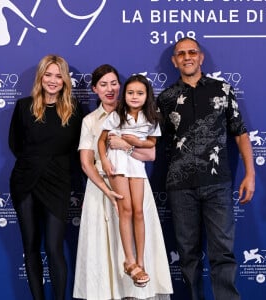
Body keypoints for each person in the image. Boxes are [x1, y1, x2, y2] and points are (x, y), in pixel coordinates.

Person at [157, 37, 255, 300]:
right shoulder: (165, 98)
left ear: (200, 57)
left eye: (192, 52)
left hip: (217, 184)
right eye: (181, 53)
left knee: (222, 252)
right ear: (174, 60)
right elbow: (151, 139)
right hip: (179, 187)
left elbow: (240, 133)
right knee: (187, 254)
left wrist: (250, 174)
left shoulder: (222, 89)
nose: (187, 57)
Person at [73, 65, 173, 299]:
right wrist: (106, 189)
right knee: (102, 249)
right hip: (102, 189)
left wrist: (125, 146)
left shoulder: (141, 116)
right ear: (95, 89)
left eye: (113, 83)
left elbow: (150, 154)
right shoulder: (90, 120)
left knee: (136, 221)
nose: (110, 89)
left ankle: (137, 270)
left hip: (135, 178)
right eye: (103, 84)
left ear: (121, 85)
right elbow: (87, 163)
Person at [8, 55, 82, 300]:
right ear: (40, 77)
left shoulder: (75, 110)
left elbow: (78, 149)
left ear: (65, 80)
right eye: (48, 75)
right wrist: (35, 163)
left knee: (53, 247)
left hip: (58, 183)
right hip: (25, 182)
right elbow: (15, 144)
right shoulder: (23, 107)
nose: (53, 80)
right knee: (30, 247)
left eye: (58, 75)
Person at [98, 74, 161, 287]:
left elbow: (152, 144)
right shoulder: (117, 115)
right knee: (125, 210)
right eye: (130, 93)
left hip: (136, 166)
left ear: (147, 96)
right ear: (124, 95)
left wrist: (134, 142)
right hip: (117, 164)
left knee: (139, 211)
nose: (134, 97)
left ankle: (141, 261)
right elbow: (101, 140)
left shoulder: (151, 118)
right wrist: (105, 162)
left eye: (140, 93)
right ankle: (129, 260)